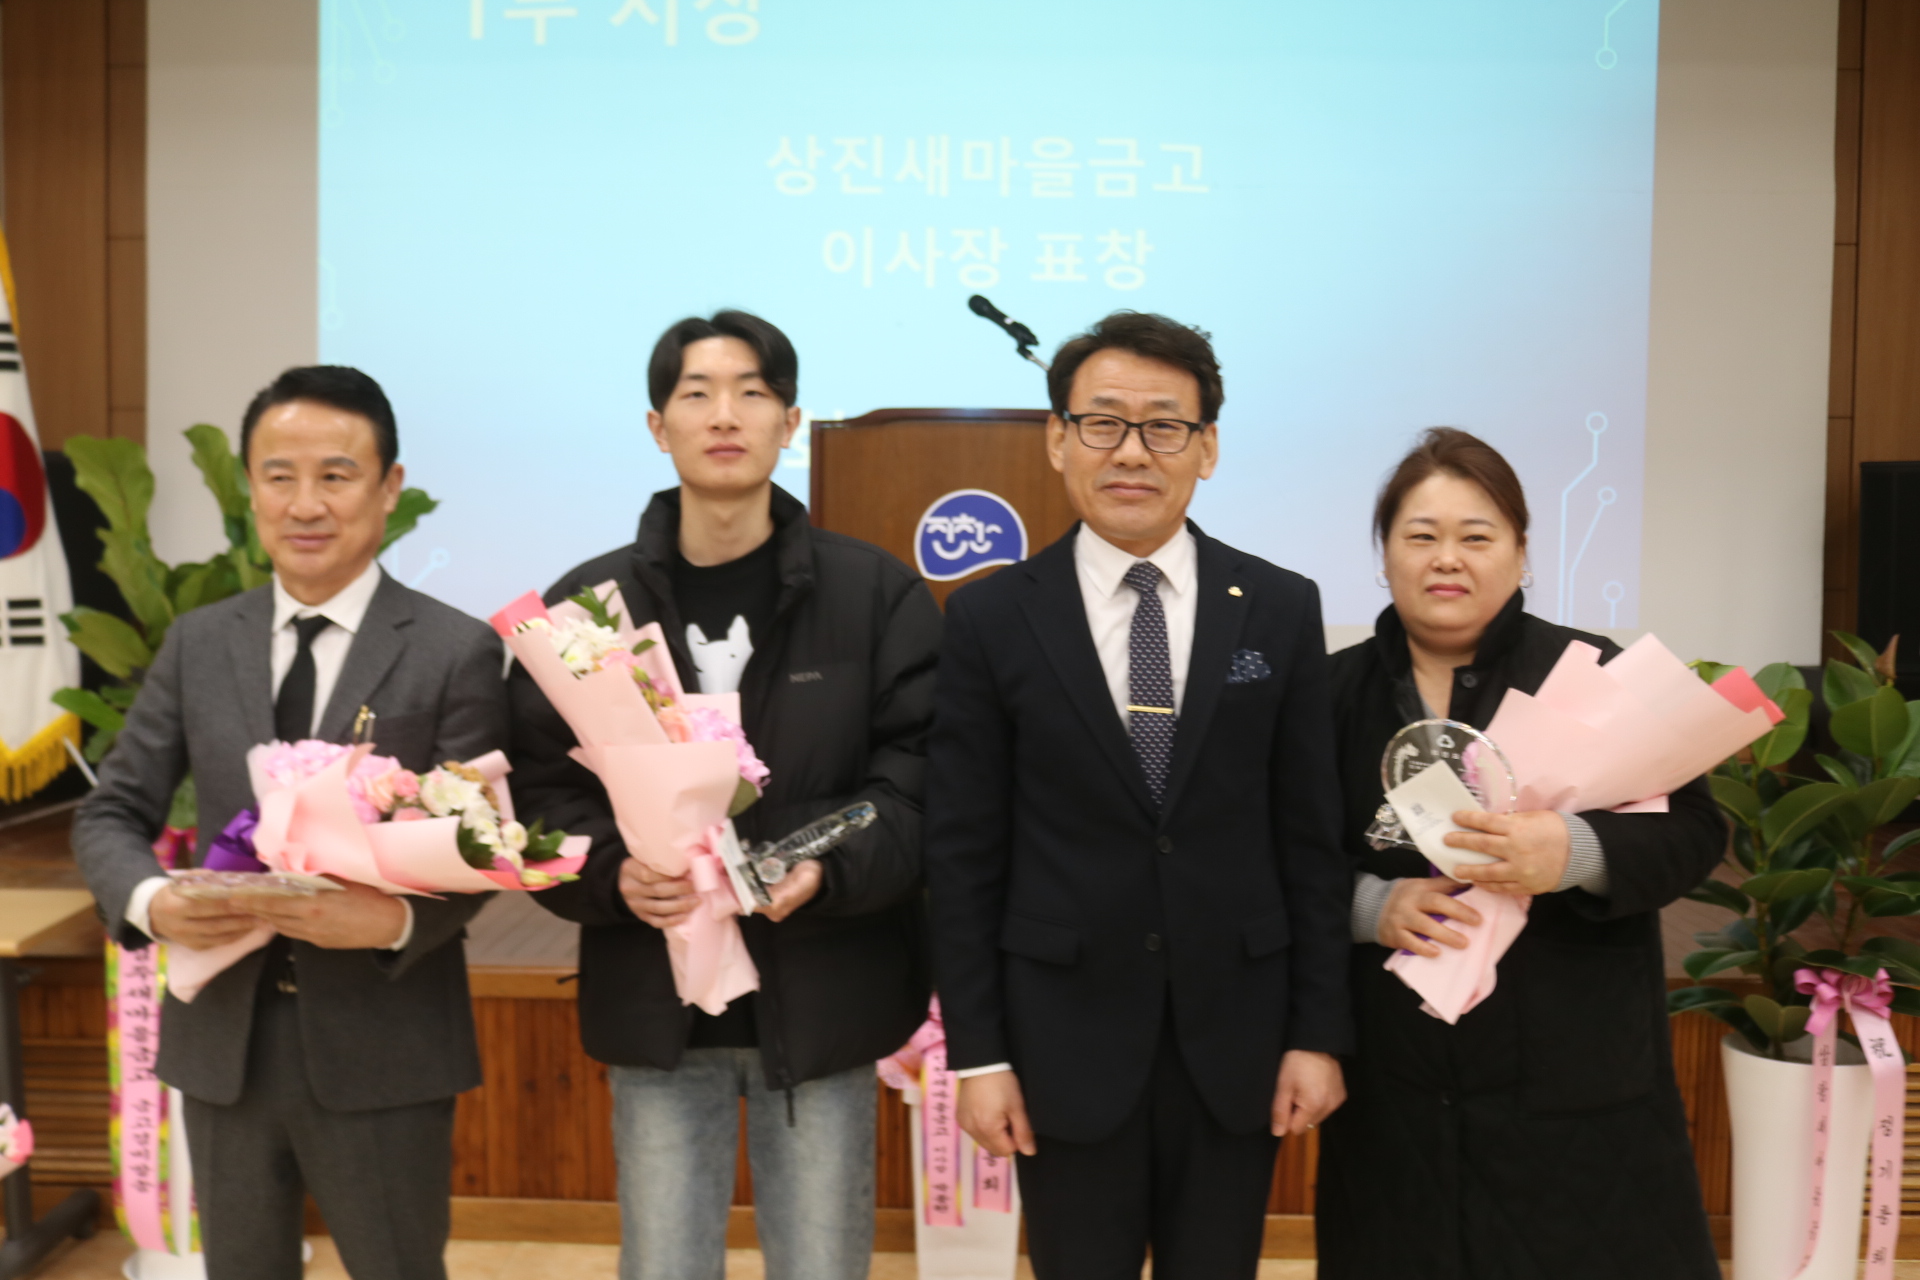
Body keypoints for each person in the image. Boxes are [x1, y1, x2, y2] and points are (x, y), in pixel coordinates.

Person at [507, 310, 940, 1280]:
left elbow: (918, 785)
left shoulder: (875, 595)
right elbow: (537, 796)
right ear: (657, 426)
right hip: (656, 1003)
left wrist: (824, 868)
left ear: (791, 421)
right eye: (696, 393)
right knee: (663, 1263)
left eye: (752, 391)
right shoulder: (586, 611)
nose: (724, 414)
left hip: (826, 1000)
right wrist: (613, 875)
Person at [925, 310, 1353, 1280]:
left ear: (1207, 447)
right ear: (1058, 438)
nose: (1132, 451)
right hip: (1059, 1043)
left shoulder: (1279, 605)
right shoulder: (992, 616)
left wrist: (1316, 1033)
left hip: (1239, 1041)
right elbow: (962, 854)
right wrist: (979, 1053)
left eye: (1164, 425)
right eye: (1103, 422)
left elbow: (1310, 841)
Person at [72, 367, 507, 1280]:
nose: (306, 504)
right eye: (280, 476)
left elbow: (482, 843)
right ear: (251, 489)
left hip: (385, 1040)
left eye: (336, 475)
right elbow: (112, 809)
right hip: (223, 1043)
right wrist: (151, 902)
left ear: (388, 487)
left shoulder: (453, 649)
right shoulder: (199, 642)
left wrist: (389, 920)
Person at [1314, 427, 1723, 1279]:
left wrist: (1573, 851)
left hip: (1577, 1086)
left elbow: (1695, 833)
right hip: (1396, 1085)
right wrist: (1368, 907)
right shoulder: (1326, 695)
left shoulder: (1591, 673)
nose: (1446, 559)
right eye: (1420, 536)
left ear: (1522, 551)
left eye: (1476, 536)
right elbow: (1270, 861)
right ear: (1384, 553)